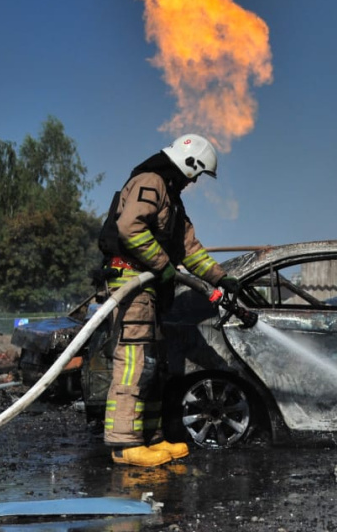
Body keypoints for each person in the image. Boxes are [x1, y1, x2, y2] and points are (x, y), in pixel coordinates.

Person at [96, 133, 241, 467]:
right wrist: (161, 266)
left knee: (153, 366)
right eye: (197, 174)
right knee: (133, 363)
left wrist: (220, 277)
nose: (194, 181)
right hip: (132, 284)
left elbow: (189, 249)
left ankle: (149, 438)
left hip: (149, 291)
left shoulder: (172, 198)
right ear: (188, 164)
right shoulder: (150, 182)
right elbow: (130, 228)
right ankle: (124, 444)